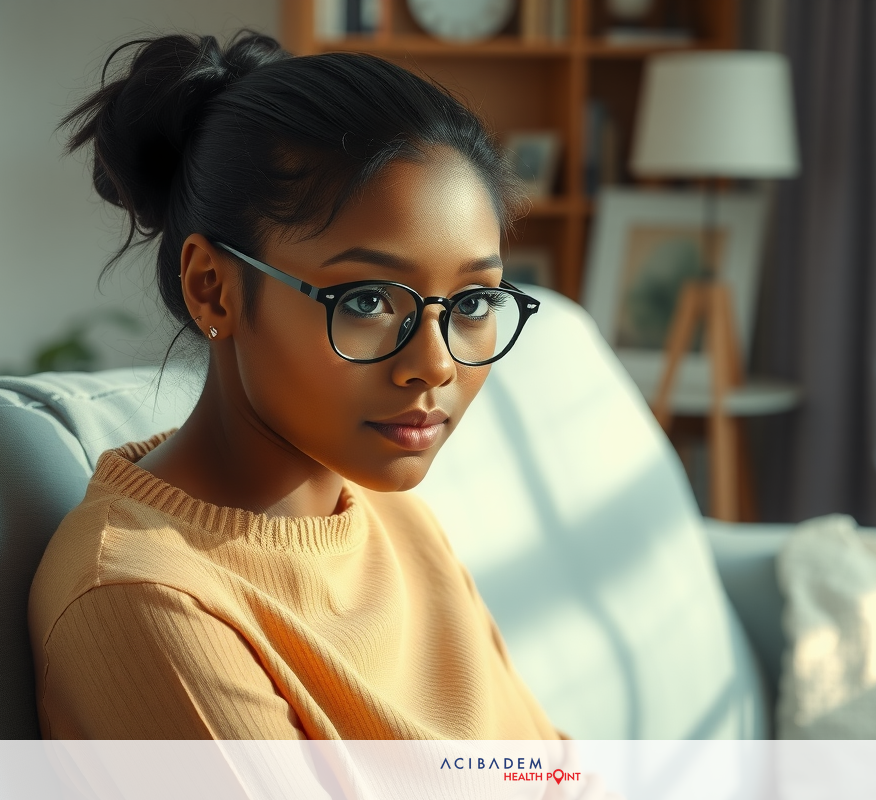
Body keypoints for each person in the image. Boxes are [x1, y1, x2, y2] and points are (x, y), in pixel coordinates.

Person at [27, 31, 561, 743]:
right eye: (368, 300)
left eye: (472, 303)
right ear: (212, 288)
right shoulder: (142, 597)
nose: (435, 366)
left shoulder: (398, 520)